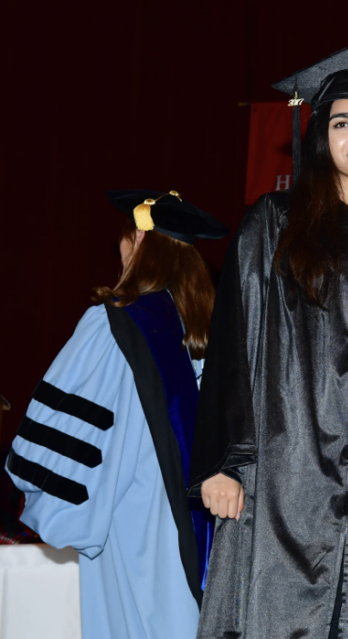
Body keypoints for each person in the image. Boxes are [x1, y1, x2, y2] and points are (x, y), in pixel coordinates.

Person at [189, 45, 348, 639]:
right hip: (285, 474)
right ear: (318, 137)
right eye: (342, 123)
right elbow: (234, 343)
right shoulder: (275, 223)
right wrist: (225, 464)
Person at [6, 190, 227, 638]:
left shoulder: (115, 325)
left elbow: (69, 438)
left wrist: (47, 503)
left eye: (125, 242)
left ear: (140, 244)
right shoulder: (212, 332)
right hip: (201, 531)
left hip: (132, 520)